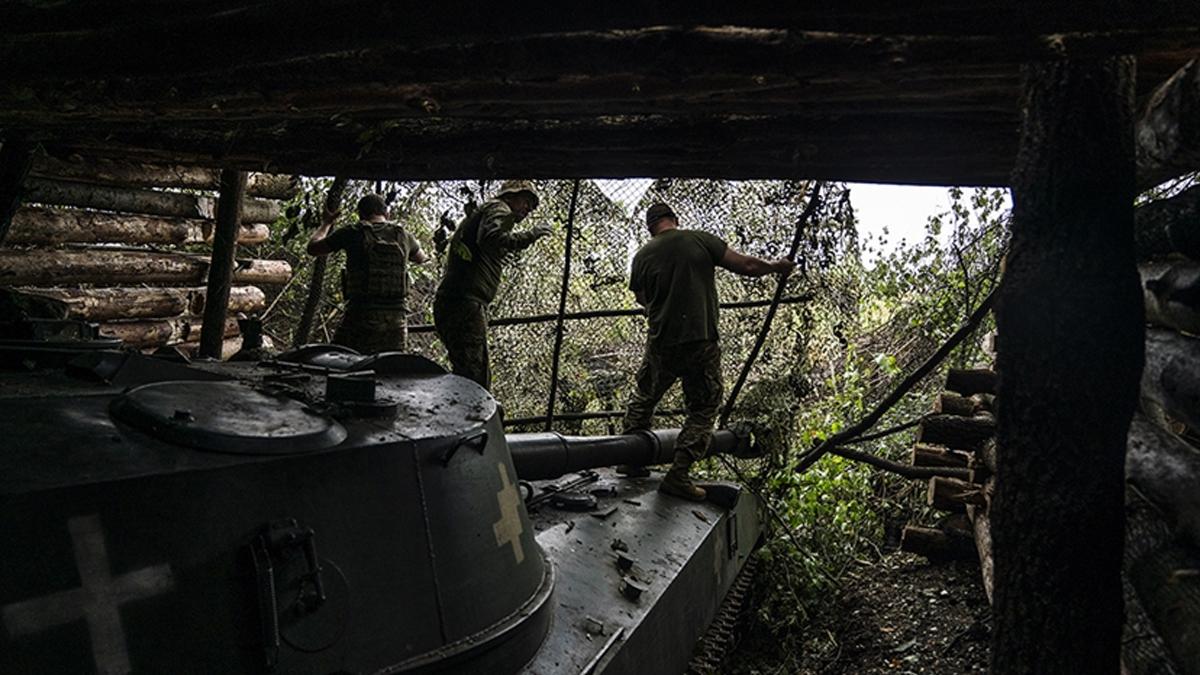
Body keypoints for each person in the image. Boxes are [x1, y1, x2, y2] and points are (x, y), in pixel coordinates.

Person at [621, 202, 796, 501]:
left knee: (644, 398)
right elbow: (747, 266)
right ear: (675, 219)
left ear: (650, 227)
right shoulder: (698, 239)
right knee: (703, 407)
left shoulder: (642, 257)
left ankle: (630, 460)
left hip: (661, 341)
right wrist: (776, 267)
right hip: (700, 339)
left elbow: (641, 298)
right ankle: (678, 474)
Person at [434, 180, 552, 389]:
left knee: (469, 373)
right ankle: (468, 420)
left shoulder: (484, 212)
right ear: (511, 196)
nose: (528, 210)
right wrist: (529, 236)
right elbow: (491, 238)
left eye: (532, 207)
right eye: (526, 202)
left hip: (457, 301)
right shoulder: (500, 209)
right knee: (474, 381)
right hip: (465, 303)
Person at [307, 193, 428, 353]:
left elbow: (313, 248)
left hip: (360, 316)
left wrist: (326, 223)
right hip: (397, 319)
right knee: (392, 370)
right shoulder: (403, 235)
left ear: (360, 214)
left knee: (339, 361)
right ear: (387, 213)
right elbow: (421, 259)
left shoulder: (352, 232)